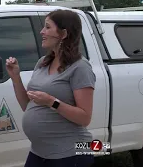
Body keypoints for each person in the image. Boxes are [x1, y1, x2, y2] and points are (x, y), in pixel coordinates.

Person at [6, 9, 96, 167]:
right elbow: (28, 106)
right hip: (39, 152)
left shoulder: (80, 67)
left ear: (63, 34)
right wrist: (15, 77)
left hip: (70, 155)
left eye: (47, 27)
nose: (42, 31)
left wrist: (52, 102)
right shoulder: (42, 62)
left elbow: (85, 118)